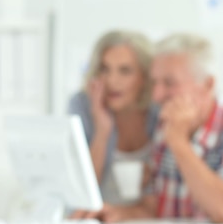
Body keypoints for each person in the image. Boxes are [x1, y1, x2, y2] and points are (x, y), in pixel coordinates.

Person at [91, 32, 223, 224]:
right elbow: (153, 207)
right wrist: (115, 213)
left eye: (169, 83)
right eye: (155, 83)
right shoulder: (166, 126)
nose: (156, 95)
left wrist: (179, 142)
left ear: (207, 84)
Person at [68, 30, 159, 207]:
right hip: (99, 219)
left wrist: (154, 177)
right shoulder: (83, 105)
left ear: (145, 76)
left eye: (125, 71)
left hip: (146, 221)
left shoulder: (158, 110)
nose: (112, 81)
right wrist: (102, 130)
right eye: (104, 69)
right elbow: (80, 192)